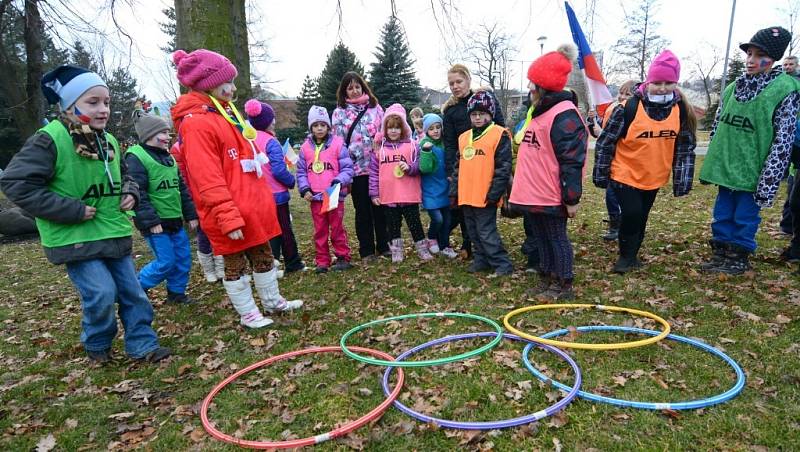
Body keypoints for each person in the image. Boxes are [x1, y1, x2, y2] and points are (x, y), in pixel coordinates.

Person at [0, 65, 170, 363]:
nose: (103, 109)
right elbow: (16, 183)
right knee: (102, 295)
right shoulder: (49, 139)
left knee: (134, 294)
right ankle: (97, 345)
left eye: (106, 102)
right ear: (68, 104)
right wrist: (71, 210)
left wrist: (130, 192)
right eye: (93, 102)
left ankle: (142, 345)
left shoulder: (109, 141)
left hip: (114, 232)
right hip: (76, 237)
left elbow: (125, 174)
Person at [170, 49, 302, 329]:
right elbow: (207, 178)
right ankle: (248, 312)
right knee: (234, 263)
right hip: (229, 212)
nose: (232, 89)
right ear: (207, 84)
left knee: (263, 255)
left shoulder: (227, 114)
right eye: (224, 83)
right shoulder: (197, 125)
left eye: (231, 82)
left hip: (250, 206)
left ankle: (271, 301)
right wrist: (226, 216)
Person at [700, 27, 800, 274]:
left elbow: (783, 138)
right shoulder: (734, 87)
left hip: (753, 171)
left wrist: (769, 177)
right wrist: (714, 159)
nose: (751, 60)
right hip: (727, 167)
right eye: (749, 54)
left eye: (758, 55)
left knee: (744, 215)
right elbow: (718, 126)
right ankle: (721, 251)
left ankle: (738, 255)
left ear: (773, 58)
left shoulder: (785, 90)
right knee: (722, 212)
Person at [593, 50, 697, 274]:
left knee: (642, 216)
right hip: (625, 173)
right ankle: (625, 257)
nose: (662, 88)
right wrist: (601, 175)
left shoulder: (680, 111)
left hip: (654, 176)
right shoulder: (627, 109)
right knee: (631, 213)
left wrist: (683, 181)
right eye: (657, 82)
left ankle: (633, 254)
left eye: (668, 83)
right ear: (648, 81)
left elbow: (685, 147)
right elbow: (605, 142)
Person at [509, 44, 588, 298]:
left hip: (552, 193)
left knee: (556, 237)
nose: (529, 88)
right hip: (534, 193)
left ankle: (563, 283)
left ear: (544, 86)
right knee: (540, 237)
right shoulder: (539, 112)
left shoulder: (564, 115)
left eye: (533, 83)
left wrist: (571, 198)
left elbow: (572, 161)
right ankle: (547, 276)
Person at [126, 111, 198, 304]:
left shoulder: (169, 158)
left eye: (168, 133)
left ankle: (176, 293)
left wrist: (190, 214)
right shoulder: (136, 157)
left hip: (174, 220)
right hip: (156, 224)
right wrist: (151, 221)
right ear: (149, 135)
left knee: (183, 259)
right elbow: (138, 191)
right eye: (163, 133)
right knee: (166, 261)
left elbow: (181, 188)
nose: (168, 137)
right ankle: (137, 288)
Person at [442, 64, 505, 259]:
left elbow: (500, 127)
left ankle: (488, 249)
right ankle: (469, 244)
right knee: (465, 208)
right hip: (463, 163)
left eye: (459, 81)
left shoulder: (483, 100)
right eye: (451, 83)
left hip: (484, 161)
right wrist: (451, 172)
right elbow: (450, 144)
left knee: (483, 208)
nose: (455, 86)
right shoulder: (450, 111)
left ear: (468, 80)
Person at [450, 91, 514, 276]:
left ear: (490, 114)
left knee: (486, 232)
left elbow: (503, 168)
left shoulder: (499, 134)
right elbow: (457, 167)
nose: (477, 118)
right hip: (466, 195)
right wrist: (454, 192)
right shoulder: (463, 137)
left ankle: (502, 264)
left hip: (485, 196)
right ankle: (481, 260)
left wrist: (495, 194)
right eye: (474, 114)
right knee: (472, 231)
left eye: (482, 114)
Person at [331, 72, 389, 262]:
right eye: (350, 88)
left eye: (357, 86)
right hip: (356, 170)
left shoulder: (376, 108)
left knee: (380, 209)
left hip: (378, 167)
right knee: (363, 211)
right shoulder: (340, 112)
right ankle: (367, 250)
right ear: (344, 91)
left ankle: (384, 245)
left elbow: (385, 132)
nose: (355, 91)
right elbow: (338, 144)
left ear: (363, 87)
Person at [245, 99, 307, 273]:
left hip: (257, 195)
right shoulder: (271, 142)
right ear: (268, 121)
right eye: (273, 118)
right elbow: (279, 170)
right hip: (276, 195)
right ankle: (293, 263)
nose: (274, 121)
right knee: (284, 230)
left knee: (266, 231)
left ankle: (270, 264)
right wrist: (291, 180)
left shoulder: (247, 140)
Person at [369, 103, 433, 263]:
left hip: (408, 195)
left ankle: (422, 249)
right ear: (385, 129)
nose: (393, 131)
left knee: (415, 223)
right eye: (390, 127)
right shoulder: (379, 150)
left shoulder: (412, 146)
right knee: (392, 226)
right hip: (389, 196)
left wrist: (410, 167)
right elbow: (374, 173)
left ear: (403, 128)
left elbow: (421, 164)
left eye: (397, 127)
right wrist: (374, 193)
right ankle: (396, 252)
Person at [297, 106, 355, 273]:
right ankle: (322, 260)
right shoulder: (305, 148)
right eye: (316, 125)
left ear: (329, 126)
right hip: (315, 196)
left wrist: (338, 181)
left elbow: (347, 169)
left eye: (323, 124)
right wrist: (304, 189)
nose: (320, 128)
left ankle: (343, 256)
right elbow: (301, 172)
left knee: (336, 227)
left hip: (332, 194)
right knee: (320, 230)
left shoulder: (337, 144)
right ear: (311, 128)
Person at [588, 80, 637, 242]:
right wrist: (592, 122)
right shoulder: (614, 109)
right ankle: (615, 225)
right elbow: (601, 133)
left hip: (627, 164)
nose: (622, 97)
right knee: (610, 195)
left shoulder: (635, 113)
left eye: (627, 94)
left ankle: (625, 226)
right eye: (621, 93)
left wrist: (602, 132)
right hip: (611, 162)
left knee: (621, 197)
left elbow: (622, 138)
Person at [170, 140, 225, 283]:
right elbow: (182, 179)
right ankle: (209, 269)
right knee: (204, 233)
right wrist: (191, 202)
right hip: (197, 197)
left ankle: (221, 266)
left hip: (215, 191)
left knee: (220, 230)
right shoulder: (177, 149)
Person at [418, 113, 458, 258]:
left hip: (445, 187)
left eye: (438, 127)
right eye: (431, 128)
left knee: (447, 220)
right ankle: (431, 237)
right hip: (430, 189)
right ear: (426, 131)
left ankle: (445, 246)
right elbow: (425, 168)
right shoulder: (424, 145)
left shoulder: (446, 144)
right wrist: (427, 151)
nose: (435, 131)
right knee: (438, 219)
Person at [778, 55, 800, 234]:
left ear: (796, 65)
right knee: (791, 185)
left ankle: (789, 227)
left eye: (791, 64)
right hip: (785, 137)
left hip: (797, 139)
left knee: (795, 188)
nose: (787, 67)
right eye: (785, 64)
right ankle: (786, 226)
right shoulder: (778, 81)